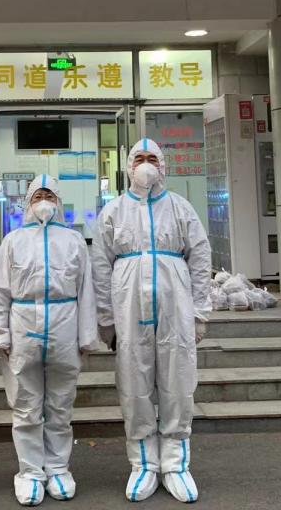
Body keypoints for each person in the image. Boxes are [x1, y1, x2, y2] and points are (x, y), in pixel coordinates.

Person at [91, 138, 212, 504]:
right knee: (134, 383)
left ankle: (175, 464)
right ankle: (143, 463)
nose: (146, 164)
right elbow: (100, 266)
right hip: (129, 309)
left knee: (177, 382)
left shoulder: (180, 208)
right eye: (139, 158)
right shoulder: (113, 211)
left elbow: (200, 258)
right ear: (129, 166)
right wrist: (106, 318)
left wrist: (199, 311)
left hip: (175, 308)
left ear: (163, 165)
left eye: (152, 158)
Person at [0, 174, 98, 506]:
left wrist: (87, 337)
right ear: (28, 203)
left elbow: (86, 291)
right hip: (23, 328)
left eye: (49, 195)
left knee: (60, 405)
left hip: (64, 325)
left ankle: (59, 468)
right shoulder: (13, 241)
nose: (44, 201)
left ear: (58, 201)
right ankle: (30, 472)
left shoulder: (74, 241)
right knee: (25, 406)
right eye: (38, 196)